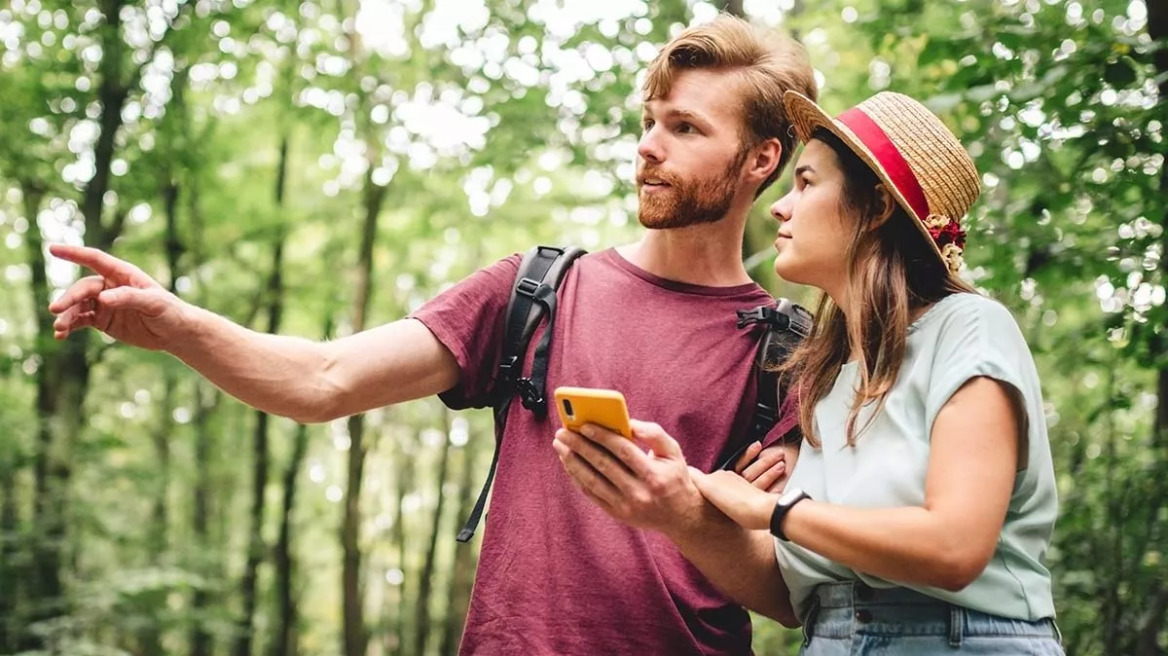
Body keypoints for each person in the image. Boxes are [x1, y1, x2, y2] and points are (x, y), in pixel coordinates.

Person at [47, 15, 816, 655]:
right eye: (649, 121)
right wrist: (180, 324)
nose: (648, 145)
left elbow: (787, 592)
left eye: (684, 128)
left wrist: (683, 512)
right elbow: (323, 379)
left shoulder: (791, 350)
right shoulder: (538, 289)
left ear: (761, 159)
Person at [555, 90, 1063, 655]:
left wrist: (774, 512)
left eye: (805, 183)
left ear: (876, 207)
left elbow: (955, 548)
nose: (779, 206)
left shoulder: (970, 327)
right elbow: (788, 596)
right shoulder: (825, 375)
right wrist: (681, 505)